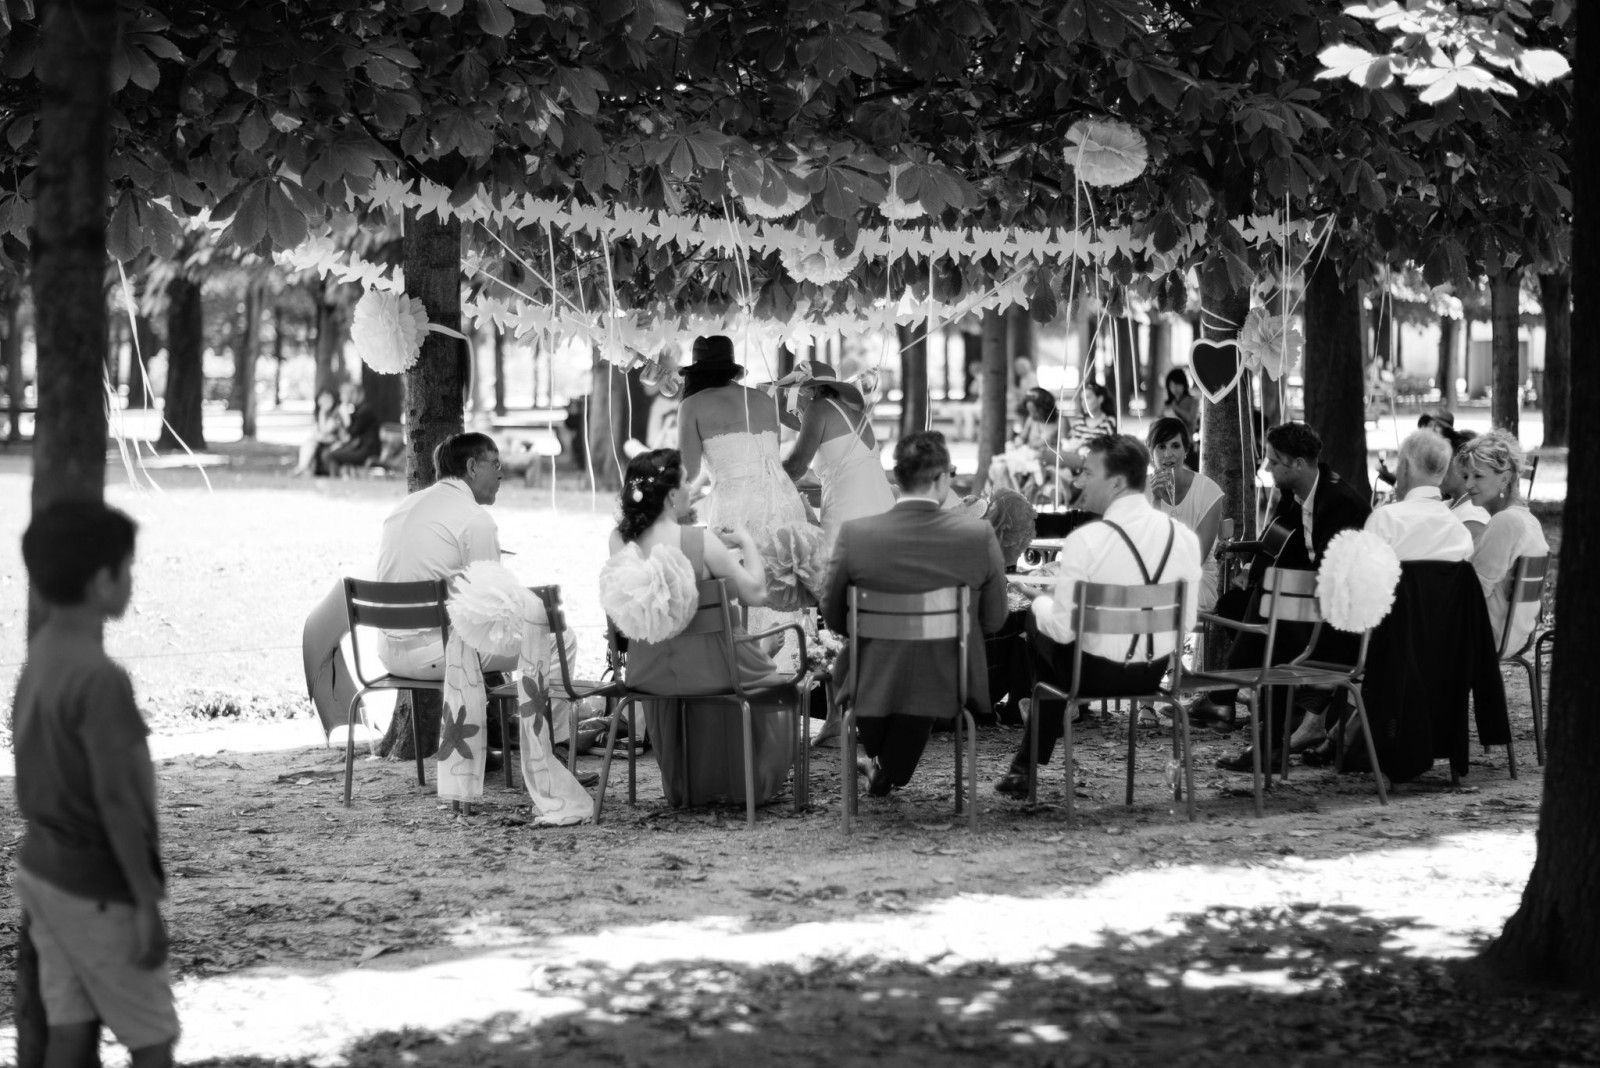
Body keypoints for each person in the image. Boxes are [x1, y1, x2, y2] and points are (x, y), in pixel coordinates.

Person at [14, 501, 179, 1067]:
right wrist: (143, 901)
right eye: (127, 567)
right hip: (98, 884)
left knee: (71, 1028)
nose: (132, 579)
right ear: (102, 580)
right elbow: (116, 800)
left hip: (43, 870)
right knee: (153, 1038)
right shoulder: (100, 679)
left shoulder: (38, 660)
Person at [994, 435, 1202, 797]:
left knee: (1038, 623)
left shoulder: (1087, 541)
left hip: (1090, 676)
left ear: (1117, 482)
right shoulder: (1182, 537)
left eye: (1088, 473)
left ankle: (1035, 734)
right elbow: (1185, 623)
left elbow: (1061, 628)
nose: (1077, 481)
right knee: (1055, 649)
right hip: (1153, 674)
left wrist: (1040, 601)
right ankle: (1031, 744)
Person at [601, 449, 796, 807]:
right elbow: (756, 592)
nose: (692, 488)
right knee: (762, 674)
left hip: (648, 673)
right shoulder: (699, 541)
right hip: (713, 671)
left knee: (691, 654)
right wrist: (746, 542)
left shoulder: (619, 541)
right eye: (686, 482)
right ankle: (755, 655)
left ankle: (751, 652)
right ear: (673, 495)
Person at [821, 432, 1009, 796]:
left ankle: (882, 766)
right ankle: (886, 768)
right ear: (940, 479)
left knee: (881, 685)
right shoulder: (977, 535)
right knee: (920, 685)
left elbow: (832, 616)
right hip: (946, 678)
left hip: (870, 676)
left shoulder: (856, 534)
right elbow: (994, 620)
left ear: (897, 478)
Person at [1209, 422, 1371, 769]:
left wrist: (1272, 584)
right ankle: (1259, 737)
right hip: (1308, 616)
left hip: (1342, 630)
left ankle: (1227, 697)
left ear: (1299, 463)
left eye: (1274, 461)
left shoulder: (1342, 504)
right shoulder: (1297, 495)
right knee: (1250, 604)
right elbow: (1284, 548)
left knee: (1270, 615)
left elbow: (1339, 578)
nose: (1267, 469)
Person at [677, 335, 815, 661]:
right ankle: (790, 667)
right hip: (784, 499)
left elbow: (690, 467)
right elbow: (770, 456)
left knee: (741, 587)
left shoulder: (692, 405)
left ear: (695, 372)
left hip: (738, 504)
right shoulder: (763, 400)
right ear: (731, 367)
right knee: (785, 582)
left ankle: (749, 668)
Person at [374, 432, 511, 678]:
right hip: (440, 653)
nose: (501, 474)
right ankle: (539, 718)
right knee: (558, 641)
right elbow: (490, 609)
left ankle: (503, 714)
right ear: (471, 467)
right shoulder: (475, 519)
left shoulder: (403, 507)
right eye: (495, 464)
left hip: (388, 652)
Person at [775, 360, 894, 549]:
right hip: (885, 510)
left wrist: (765, 476)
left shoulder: (818, 408)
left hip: (851, 517)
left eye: (792, 395)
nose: (793, 408)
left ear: (804, 391)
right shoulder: (853, 414)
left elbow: (796, 467)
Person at [1460, 430, 1549, 653]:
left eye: (1478, 476)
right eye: (1465, 476)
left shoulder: (1506, 522)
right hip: (1512, 634)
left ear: (1505, 478)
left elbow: (1473, 590)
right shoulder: (1527, 520)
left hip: (1487, 635)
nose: (1469, 484)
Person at [1146, 416, 1224, 611]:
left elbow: (1194, 559)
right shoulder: (1141, 491)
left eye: (1175, 446)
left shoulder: (1208, 491)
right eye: (1161, 447)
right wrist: (1155, 501)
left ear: (1186, 450)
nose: (1168, 455)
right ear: (1151, 452)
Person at [1363, 430, 1474, 563]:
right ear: (1442, 473)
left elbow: (1362, 579)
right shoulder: (1461, 533)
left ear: (1404, 466)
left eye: (1398, 464)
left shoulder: (1385, 520)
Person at [987, 386, 1060, 494]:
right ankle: (1005, 498)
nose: (1032, 415)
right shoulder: (1031, 420)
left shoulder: (1059, 422)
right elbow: (1022, 437)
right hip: (1028, 456)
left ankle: (1015, 498)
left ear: (1044, 408)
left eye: (1035, 411)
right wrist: (1018, 441)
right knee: (1000, 467)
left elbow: (1063, 446)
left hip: (1046, 459)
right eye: (1030, 411)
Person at [326, 384, 383, 474]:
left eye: (353, 394)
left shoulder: (365, 411)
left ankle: (335, 482)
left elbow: (352, 432)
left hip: (367, 451)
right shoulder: (358, 410)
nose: (351, 397)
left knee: (331, 455)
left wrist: (345, 417)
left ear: (360, 394)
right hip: (361, 448)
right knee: (330, 453)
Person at [292, 387, 346, 477]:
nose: (325, 400)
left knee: (311, 442)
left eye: (328, 398)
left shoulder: (337, 412)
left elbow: (326, 430)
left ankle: (302, 468)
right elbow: (318, 431)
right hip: (325, 441)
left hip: (338, 442)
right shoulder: (320, 413)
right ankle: (303, 468)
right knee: (310, 443)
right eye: (323, 398)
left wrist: (322, 411)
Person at [1161, 368, 1200, 443]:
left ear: (1184, 384)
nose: (1174, 388)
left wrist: (1177, 409)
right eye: (1171, 385)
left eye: (1177, 384)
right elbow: (1160, 419)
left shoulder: (1193, 401)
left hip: (1187, 441)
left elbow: (1191, 419)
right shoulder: (1168, 403)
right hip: (1168, 441)